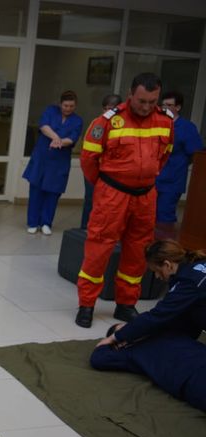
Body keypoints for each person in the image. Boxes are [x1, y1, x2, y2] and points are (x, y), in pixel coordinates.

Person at [75, 73, 174, 328]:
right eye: (141, 101)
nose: (146, 107)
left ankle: (126, 304)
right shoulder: (107, 121)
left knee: (138, 251)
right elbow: (88, 160)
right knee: (99, 249)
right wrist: (105, 186)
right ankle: (86, 304)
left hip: (145, 196)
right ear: (131, 94)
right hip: (112, 194)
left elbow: (164, 155)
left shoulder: (165, 121)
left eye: (152, 102)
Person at [91, 239, 206, 411]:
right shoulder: (194, 268)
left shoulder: (188, 283)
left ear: (167, 265)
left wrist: (115, 337)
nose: (158, 277)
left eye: (156, 272)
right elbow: (176, 318)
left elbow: (156, 317)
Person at [23, 90, 83, 235]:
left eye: (71, 106)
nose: (68, 109)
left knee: (53, 192)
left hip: (59, 161)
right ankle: (33, 222)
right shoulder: (50, 111)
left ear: (75, 106)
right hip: (42, 158)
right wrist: (56, 138)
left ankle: (46, 223)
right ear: (60, 104)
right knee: (36, 190)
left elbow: (73, 138)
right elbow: (44, 126)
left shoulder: (77, 120)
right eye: (65, 105)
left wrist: (61, 142)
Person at [156, 91, 204, 228]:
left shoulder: (186, 127)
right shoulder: (158, 124)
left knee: (164, 216)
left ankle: (166, 241)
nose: (164, 108)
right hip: (153, 179)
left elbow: (196, 154)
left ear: (178, 107)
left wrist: (178, 165)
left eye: (169, 105)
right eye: (163, 105)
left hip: (171, 181)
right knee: (147, 216)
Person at [81, 94, 122, 229]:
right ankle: (85, 229)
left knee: (110, 205)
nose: (107, 112)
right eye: (105, 108)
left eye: (111, 108)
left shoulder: (124, 125)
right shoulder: (97, 123)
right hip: (95, 171)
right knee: (91, 201)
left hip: (114, 173)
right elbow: (88, 154)